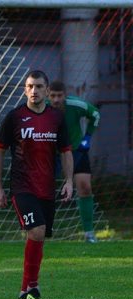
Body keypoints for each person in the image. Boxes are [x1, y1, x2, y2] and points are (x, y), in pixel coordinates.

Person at [0, 70, 73, 299]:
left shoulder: (56, 119)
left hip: (46, 188)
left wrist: (68, 181)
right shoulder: (14, 117)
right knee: (36, 230)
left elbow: (66, 152)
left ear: (47, 91)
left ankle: (30, 288)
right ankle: (27, 290)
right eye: (30, 86)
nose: (34, 91)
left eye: (38, 87)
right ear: (24, 89)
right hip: (22, 187)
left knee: (39, 237)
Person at [47, 81, 101, 243]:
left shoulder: (76, 105)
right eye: (53, 96)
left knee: (85, 187)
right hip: (52, 153)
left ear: (65, 95)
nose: (56, 100)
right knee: (42, 190)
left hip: (76, 150)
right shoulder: (41, 107)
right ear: (48, 95)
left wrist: (88, 136)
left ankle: (89, 233)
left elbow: (96, 114)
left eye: (59, 96)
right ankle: (38, 230)